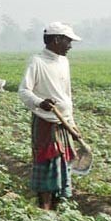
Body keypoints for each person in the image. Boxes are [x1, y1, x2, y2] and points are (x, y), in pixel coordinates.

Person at [18, 21, 82, 211]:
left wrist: (72, 121)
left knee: (62, 165)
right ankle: (44, 210)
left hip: (63, 123)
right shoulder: (37, 62)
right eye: (67, 41)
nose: (70, 46)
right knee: (47, 165)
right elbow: (24, 91)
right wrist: (40, 103)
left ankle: (55, 207)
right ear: (56, 40)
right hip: (47, 123)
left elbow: (66, 95)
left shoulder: (64, 62)